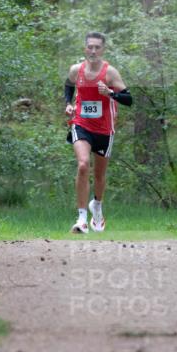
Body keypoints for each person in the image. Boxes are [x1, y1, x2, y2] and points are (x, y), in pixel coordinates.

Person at [64, 32, 132, 233]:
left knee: (100, 175)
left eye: (97, 47)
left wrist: (110, 93)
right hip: (81, 124)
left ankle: (97, 206)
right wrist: (68, 103)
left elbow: (129, 99)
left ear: (103, 50)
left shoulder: (110, 73)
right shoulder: (76, 70)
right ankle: (82, 219)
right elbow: (68, 85)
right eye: (90, 47)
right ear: (85, 48)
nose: (93, 51)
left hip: (104, 129)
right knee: (83, 165)